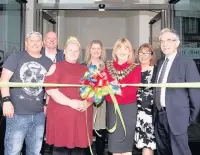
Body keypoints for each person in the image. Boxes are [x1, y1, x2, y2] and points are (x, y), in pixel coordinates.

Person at [1, 31, 52, 155]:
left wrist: (47, 106)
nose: (35, 43)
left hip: (38, 116)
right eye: (32, 40)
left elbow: (50, 87)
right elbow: (3, 79)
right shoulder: (16, 57)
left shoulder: (48, 62)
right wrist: (6, 101)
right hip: (17, 114)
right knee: (13, 151)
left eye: (38, 41)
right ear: (26, 43)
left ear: (42, 44)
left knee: (35, 152)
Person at [154, 28, 200, 155]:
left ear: (177, 43)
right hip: (159, 116)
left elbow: (195, 94)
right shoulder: (160, 62)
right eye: (162, 41)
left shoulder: (187, 63)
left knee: (180, 152)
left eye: (169, 40)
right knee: (163, 151)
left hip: (177, 117)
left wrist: (189, 118)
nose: (165, 44)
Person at [44, 36, 93, 155]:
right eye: (70, 50)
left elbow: (94, 91)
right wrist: (71, 102)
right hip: (61, 117)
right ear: (64, 51)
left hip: (81, 116)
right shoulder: (55, 66)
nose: (73, 53)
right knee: (61, 150)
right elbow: (51, 90)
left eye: (76, 51)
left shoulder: (86, 69)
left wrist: (87, 103)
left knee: (79, 150)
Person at [104, 38, 141, 155]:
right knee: (115, 148)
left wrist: (114, 88)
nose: (122, 51)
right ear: (115, 51)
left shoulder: (136, 67)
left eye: (126, 48)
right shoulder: (108, 66)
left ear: (130, 52)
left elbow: (132, 90)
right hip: (112, 109)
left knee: (126, 149)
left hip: (128, 109)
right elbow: (105, 90)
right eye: (119, 47)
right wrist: (117, 89)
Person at [42, 31, 64, 153]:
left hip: (58, 98)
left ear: (57, 41)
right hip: (39, 98)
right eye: (49, 38)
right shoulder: (37, 54)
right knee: (40, 129)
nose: (51, 40)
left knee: (55, 128)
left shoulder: (63, 55)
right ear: (44, 41)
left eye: (54, 38)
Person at [84, 40, 107, 155]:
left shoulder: (107, 67)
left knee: (100, 133)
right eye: (93, 48)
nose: (96, 51)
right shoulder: (83, 66)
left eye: (98, 48)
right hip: (87, 103)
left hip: (101, 104)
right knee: (86, 133)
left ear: (102, 51)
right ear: (89, 50)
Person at [134, 43, 156, 155]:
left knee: (147, 142)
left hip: (148, 113)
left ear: (151, 55)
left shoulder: (155, 70)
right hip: (133, 110)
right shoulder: (133, 69)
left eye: (147, 53)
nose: (144, 55)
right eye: (141, 53)